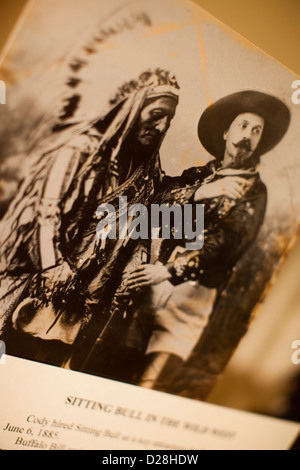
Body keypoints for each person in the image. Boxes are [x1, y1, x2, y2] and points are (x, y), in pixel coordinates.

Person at [0, 69, 180, 368]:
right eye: (156, 114)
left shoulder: (147, 168)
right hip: (36, 278)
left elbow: (150, 213)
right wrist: (52, 266)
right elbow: (47, 212)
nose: (161, 126)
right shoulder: (80, 148)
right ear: (132, 107)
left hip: (82, 296)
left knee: (44, 369)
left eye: (168, 120)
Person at [122, 90, 290, 388]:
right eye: (243, 126)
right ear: (226, 132)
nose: (247, 136)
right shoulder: (197, 176)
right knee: (114, 369)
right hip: (146, 287)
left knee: (152, 384)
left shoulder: (253, 192)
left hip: (192, 296)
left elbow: (227, 244)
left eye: (256, 131)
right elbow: (154, 202)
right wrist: (201, 192)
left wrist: (169, 271)